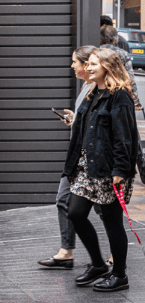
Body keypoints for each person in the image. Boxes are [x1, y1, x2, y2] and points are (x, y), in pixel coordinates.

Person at [62, 48, 139, 292]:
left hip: (109, 169)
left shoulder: (120, 96)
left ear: (108, 66)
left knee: (112, 222)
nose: (88, 67)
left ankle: (119, 275)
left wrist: (120, 169)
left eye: (94, 64)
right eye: (89, 64)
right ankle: (97, 264)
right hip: (88, 166)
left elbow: (125, 137)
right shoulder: (92, 93)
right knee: (74, 213)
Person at [37, 45, 96, 271]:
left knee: (104, 210)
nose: (72, 65)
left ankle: (111, 259)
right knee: (63, 200)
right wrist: (74, 120)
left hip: (89, 160)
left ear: (86, 65)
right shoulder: (86, 87)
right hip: (76, 157)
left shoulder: (98, 89)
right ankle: (66, 252)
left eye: (75, 62)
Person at [98, 25, 140, 109]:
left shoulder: (96, 52)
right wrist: (135, 97)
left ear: (100, 38)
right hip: (118, 92)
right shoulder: (123, 54)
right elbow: (130, 76)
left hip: (99, 91)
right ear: (115, 39)